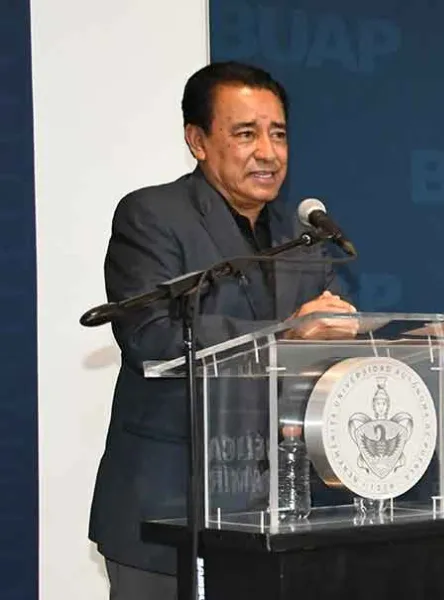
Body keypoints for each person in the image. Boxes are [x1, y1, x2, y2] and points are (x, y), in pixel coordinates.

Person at [88, 61, 356, 600]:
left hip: (271, 514)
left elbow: (315, 360)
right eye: (245, 133)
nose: (268, 151)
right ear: (198, 141)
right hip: (166, 512)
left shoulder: (302, 237)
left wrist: (341, 342)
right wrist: (288, 333)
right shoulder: (152, 216)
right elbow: (153, 337)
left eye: (278, 134)